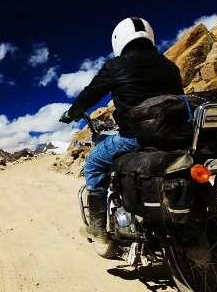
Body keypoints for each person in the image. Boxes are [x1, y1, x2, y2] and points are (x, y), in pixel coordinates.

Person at [59, 17, 184, 241]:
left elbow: (91, 93)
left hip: (135, 138)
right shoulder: (170, 66)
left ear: (118, 39)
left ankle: (97, 229)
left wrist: (72, 112)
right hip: (176, 136)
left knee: (94, 164)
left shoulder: (115, 66)